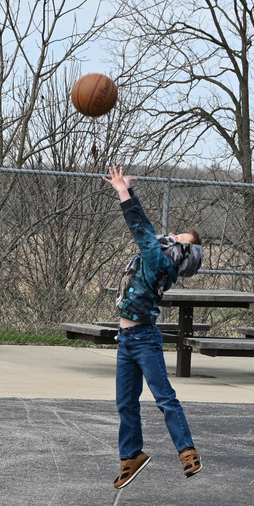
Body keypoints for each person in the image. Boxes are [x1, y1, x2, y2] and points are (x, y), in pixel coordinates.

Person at [103, 166, 205, 489]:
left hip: (145, 338)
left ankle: (187, 451)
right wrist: (129, 192)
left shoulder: (160, 261)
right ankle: (131, 456)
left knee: (164, 397)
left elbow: (141, 229)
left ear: (180, 255)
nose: (171, 237)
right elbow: (149, 230)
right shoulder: (158, 256)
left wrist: (123, 193)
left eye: (178, 240)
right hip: (127, 339)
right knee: (126, 401)